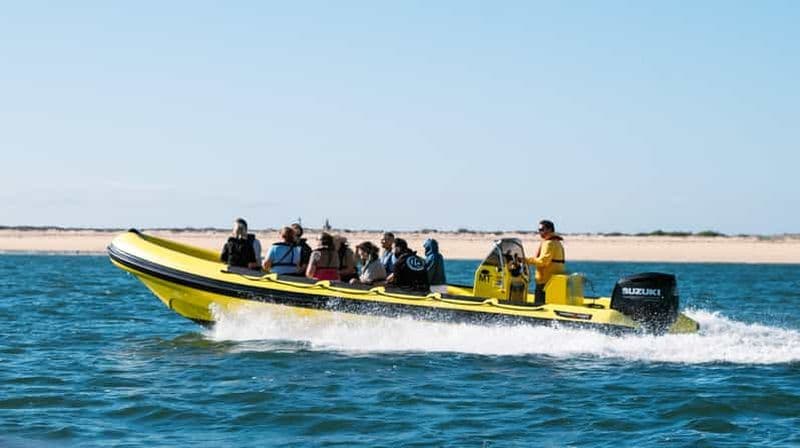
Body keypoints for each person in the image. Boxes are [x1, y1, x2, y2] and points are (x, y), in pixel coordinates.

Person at [523, 219, 565, 305]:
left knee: (539, 303)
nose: (539, 232)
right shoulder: (557, 242)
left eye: (542, 230)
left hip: (545, 281)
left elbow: (543, 261)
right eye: (539, 230)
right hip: (552, 280)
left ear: (549, 230)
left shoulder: (549, 243)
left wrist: (525, 260)